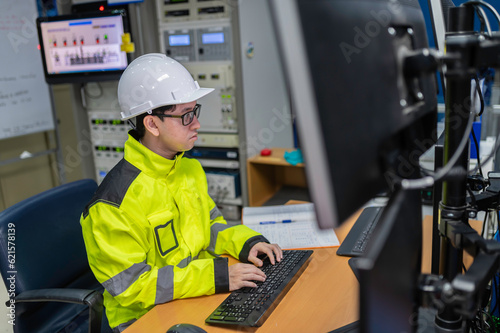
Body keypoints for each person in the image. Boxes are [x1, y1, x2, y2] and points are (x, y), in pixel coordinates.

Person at [80, 53, 282, 332]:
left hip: (192, 297)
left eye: (194, 111)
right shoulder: (113, 203)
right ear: (152, 124)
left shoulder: (188, 170)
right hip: (143, 318)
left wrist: (246, 243)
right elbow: (134, 287)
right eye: (186, 116)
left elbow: (211, 227)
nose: (196, 123)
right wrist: (218, 276)